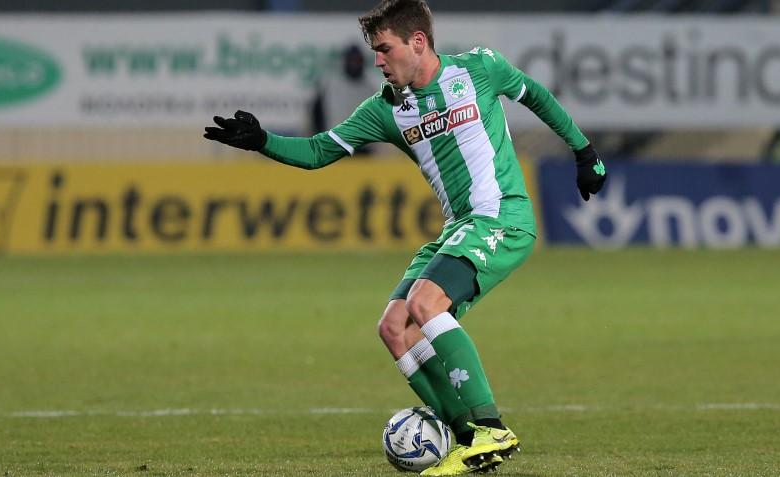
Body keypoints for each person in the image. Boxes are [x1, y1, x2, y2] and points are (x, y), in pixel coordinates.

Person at [204, 0, 606, 474]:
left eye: (384, 49)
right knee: (395, 327)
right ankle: (468, 441)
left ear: (418, 42)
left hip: (502, 217)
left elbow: (534, 95)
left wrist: (584, 151)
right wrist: (262, 141)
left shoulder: (479, 68)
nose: (377, 60)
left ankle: (491, 427)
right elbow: (317, 151)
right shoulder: (385, 109)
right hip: (459, 227)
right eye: (374, 51)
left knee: (425, 303)